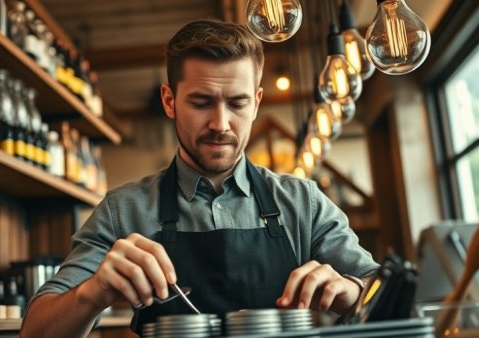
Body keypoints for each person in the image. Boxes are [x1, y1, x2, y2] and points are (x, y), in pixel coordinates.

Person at [21, 18, 379, 338]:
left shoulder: (304, 203)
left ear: (255, 103)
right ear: (169, 100)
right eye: (202, 102)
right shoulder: (123, 211)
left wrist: (350, 291)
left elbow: (383, 292)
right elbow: (35, 331)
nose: (220, 124)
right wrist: (93, 292)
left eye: (237, 104)